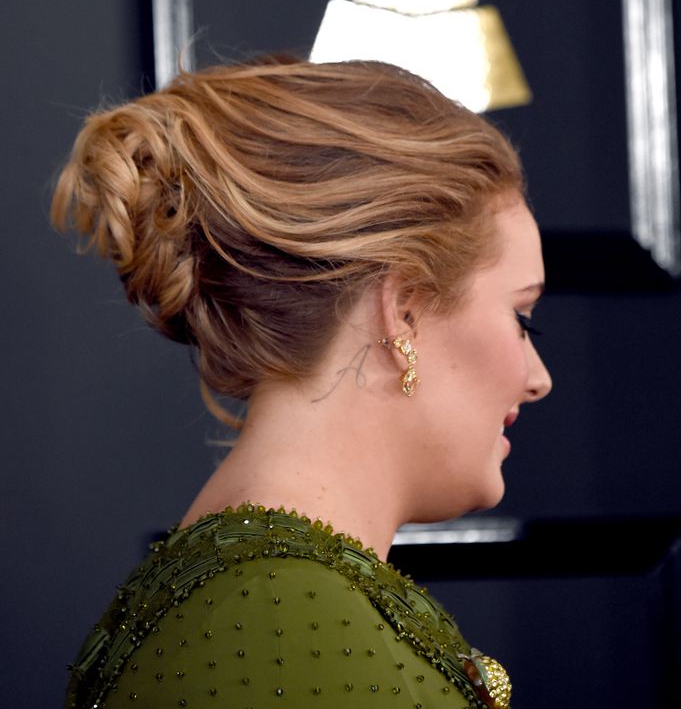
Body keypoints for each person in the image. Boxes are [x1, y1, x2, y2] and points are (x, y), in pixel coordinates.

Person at [53, 57, 551, 709]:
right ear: (401, 309)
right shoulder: (289, 631)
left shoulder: (251, 600)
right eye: (520, 318)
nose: (536, 379)